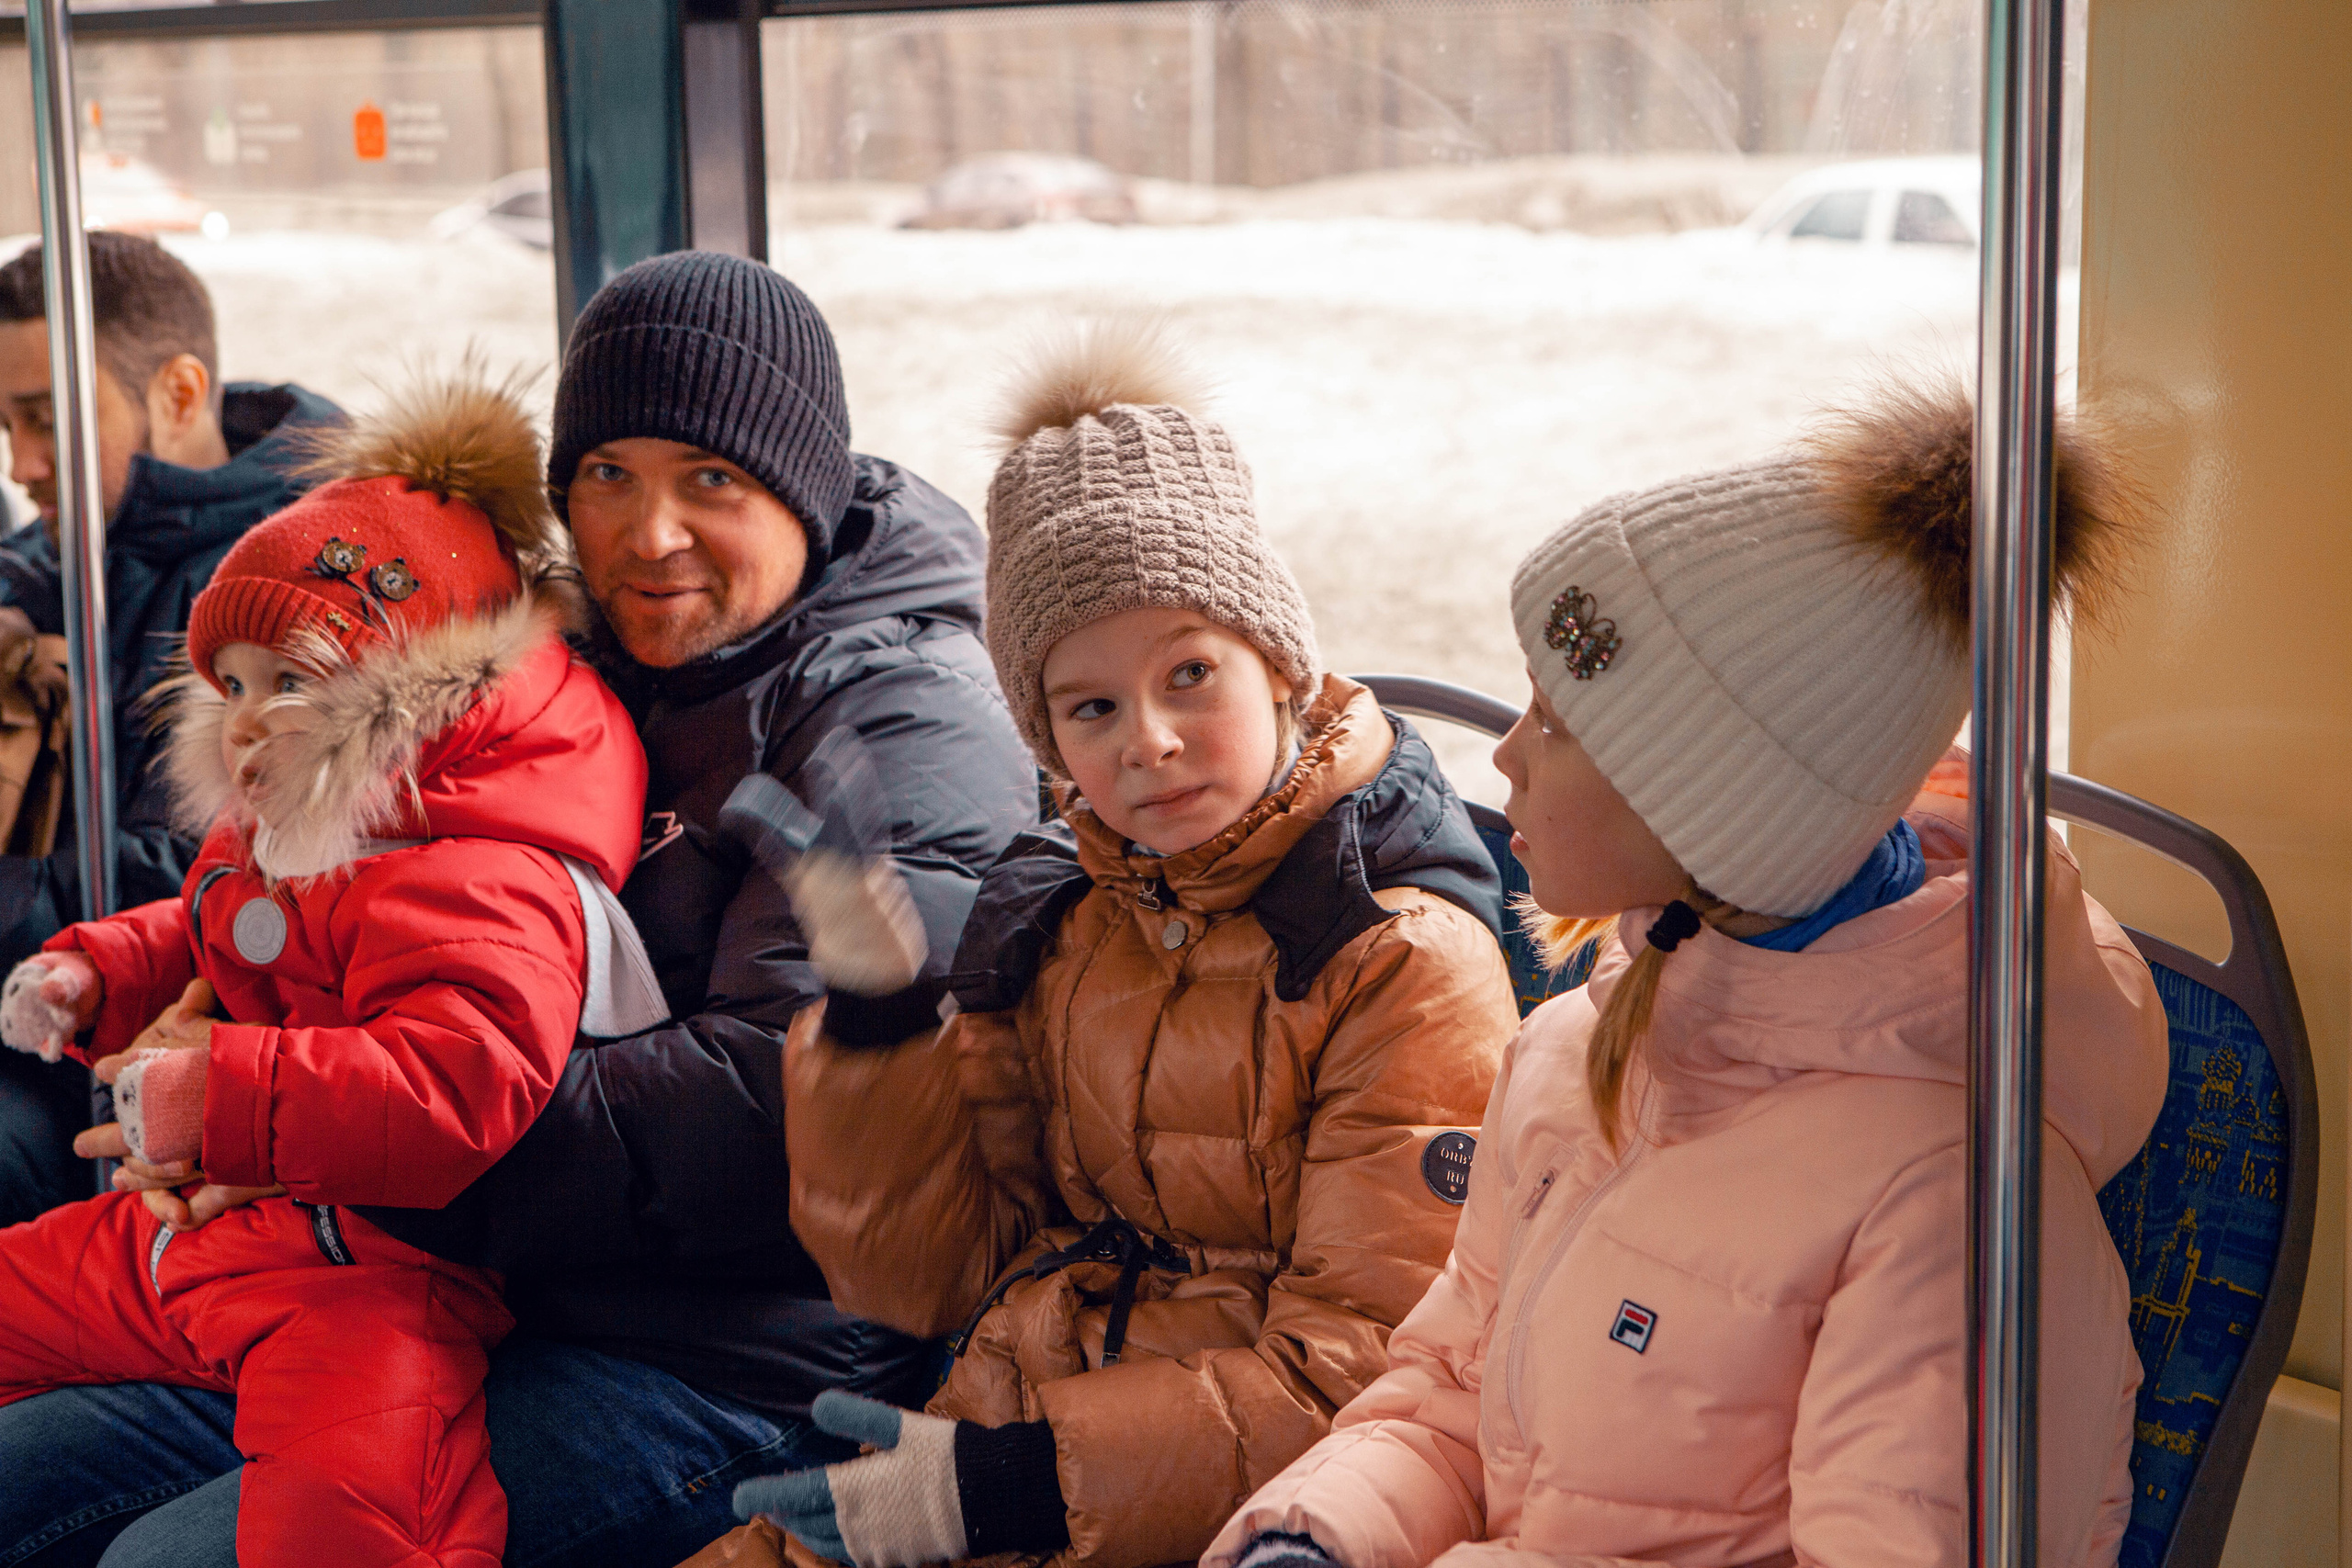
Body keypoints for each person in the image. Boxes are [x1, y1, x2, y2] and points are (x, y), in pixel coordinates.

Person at [0, 250, 1040, 1568]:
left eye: (708, 479)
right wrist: (215, 1008)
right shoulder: (577, 645)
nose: (647, 532)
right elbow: (345, 887)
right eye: (607, 477)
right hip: (448, 1278)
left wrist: (296, 1122)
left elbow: (768, 1107)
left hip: (738, 1349)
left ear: (803, 484)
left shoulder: (898, 714)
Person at [1199, 386, 2170, 1568]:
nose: (1503, 754)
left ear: (1717, 809)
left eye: (1555, 724)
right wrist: (1322, 1536)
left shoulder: (1944, 1202)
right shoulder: (1579, 1048)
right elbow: (1452, 1393)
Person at [688, 322, 1522, 1568]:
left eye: (1191, 671)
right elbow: (929, 1279)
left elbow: (1381, 1371)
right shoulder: (1069, 914)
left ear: (1281, 667)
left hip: (1222, 1509)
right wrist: (877, 1016)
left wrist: (1014, 1484)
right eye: (1090, 705)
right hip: (996, 1440)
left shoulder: (1400, 960)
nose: (1150, 739)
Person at [0, 368, 646, 1566]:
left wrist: (220, 1096)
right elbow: (211, 929)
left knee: (351, 1516)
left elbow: (456, 1081)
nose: (245, 716)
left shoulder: (483, 873)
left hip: (364, 1274)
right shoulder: (296, 828)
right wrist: (93, 970)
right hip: (205, 1231)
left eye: (289, 681)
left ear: (401, 694)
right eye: (231, 685)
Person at [0, 231, 341, 1226]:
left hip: (194, 1038)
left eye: (46, 419)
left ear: (182, 394)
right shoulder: (64, 549)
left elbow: (214, 874)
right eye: (6, 424)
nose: (23, 464)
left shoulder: (298, 573)